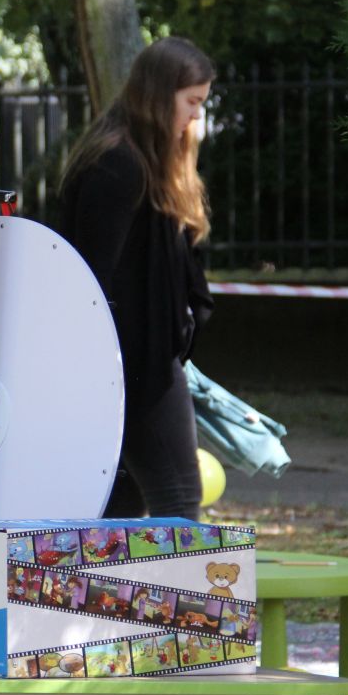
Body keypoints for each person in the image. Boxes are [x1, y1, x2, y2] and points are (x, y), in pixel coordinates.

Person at [58, 37, 216, 521]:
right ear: (158, 95)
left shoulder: (141, 159)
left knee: (122, 504)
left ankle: (94, 597)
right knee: (178, 497)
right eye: (191, 103)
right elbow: (90, 280)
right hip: (133, 367)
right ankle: (184, 598)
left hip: (133, 362)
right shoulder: (120, 164)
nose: (196, 119)